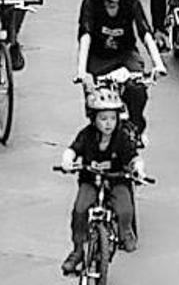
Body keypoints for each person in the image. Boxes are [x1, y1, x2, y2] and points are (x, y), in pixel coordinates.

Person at [76, 0, 168, 144]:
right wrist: (82, 72)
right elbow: (85, 35)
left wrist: (158, 64)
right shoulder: (91, 3)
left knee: (137, 90)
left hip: (126, 55)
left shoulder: (130, 2)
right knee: (96, 104)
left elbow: (145, 32)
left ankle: (136, 129)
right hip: (98, 57)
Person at [58, 87, 145, 274]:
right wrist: (67, 160)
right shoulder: (86, 135)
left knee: (125, 207)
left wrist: (138, 168)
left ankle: (125, 232)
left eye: (113, 118)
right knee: (80, 209)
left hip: (116, 180)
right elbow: (73, 149)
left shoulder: (121, 136)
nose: (108, 123)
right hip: (90, 180)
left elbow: (133, 157)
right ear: (93, 118)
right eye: (103, 118)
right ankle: (78, 250)